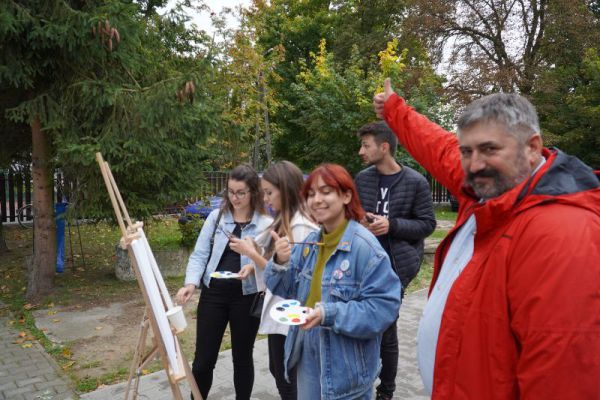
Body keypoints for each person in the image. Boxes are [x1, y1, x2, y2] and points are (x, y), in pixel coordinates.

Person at [373, 79, 600, 399]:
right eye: (467, 150)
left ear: (532, 147)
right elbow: (437, 146)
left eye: (489, 149)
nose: (474, 163)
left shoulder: (564, 235)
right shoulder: (490, 188)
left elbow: (562, 379)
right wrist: (395, 110)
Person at [263, 163, 402, 400]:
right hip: (308, 347)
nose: (317, 200)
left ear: (346, 196)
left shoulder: (365, 248)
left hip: (346, 361)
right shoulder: (310, 243)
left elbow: (384, 308)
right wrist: (280, 261)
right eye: (311, 194)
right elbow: (286, 289)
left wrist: (329, 314)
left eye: (326, 192)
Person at [175, 163, 272, 400]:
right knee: (203, 361)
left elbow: (269, 264)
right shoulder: (216, 217)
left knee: (242, 358)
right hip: (213, 295)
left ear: (253, 193)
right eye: (230, 192)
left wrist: (251, 256)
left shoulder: (265, 224)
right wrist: (190, 283)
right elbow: (199, 254)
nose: (235, 198)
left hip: (246, 297)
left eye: (241, 193)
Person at [354, 121, 436, 400]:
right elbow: (352, 216)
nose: (360, 151)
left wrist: (392, 225)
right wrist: (359, 225)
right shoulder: (362, 179)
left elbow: (427, 224)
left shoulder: (416, 182)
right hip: (361, 266)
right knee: (361, 326)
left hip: (395, 268)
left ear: (384, 147)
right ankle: (360, 381)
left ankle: (385, 391)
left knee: (386, 331)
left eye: (366, 145)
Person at [229, 160, 318, 400]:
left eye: (269, 192)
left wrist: (251, 254)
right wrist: (253, 263)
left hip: (290, 314)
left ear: (286, 190)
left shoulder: (301, 228)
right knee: (278, 370)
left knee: (286, 376)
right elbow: (273, 263)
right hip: (282, 312)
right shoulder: (284, 220)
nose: (265, 199)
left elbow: (289, 278)